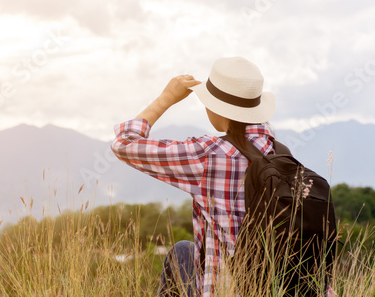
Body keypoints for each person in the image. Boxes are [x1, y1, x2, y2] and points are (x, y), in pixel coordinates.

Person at [111, 57, 277, 296]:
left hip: (229, 290)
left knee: (181, 252)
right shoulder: (278, 152)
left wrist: (166, 99)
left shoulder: (208, 155)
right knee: (185, 252)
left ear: (216, 107)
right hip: (283, 285)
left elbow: (124, 144)